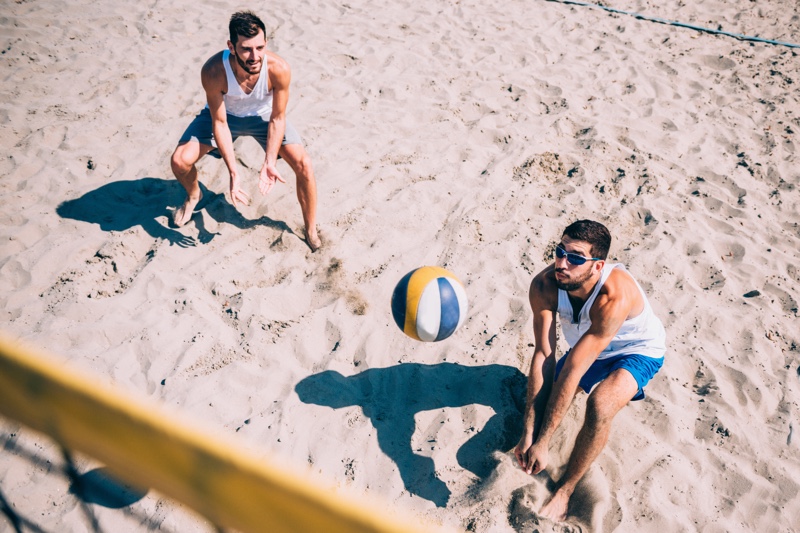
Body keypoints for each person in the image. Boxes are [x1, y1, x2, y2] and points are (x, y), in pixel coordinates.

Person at [514, 220, 666, 521]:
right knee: (547, 400)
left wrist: (544, 443)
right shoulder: (544, 285)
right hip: (589, 345)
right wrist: (529, 433)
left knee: (599, 405)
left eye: (575, 257)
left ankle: (566, 490)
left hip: (636, 350)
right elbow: (544, 352)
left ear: (597, 266)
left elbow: (572, 369)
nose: (562, 263)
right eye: (560, 251)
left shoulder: (613, 295)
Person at [170, 11, 321, 251]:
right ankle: (193, 195)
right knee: (179, 161)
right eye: (246, 49)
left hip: (263, 118)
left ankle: (311, 228)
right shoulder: (213, 71)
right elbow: (219, 123)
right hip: (225, 116)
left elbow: (277, 117)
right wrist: (233, 172)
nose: (255, 56)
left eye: (260, 48)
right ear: (231, 46)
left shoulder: (278, 68)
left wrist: (270, 161)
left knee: (304, 165)